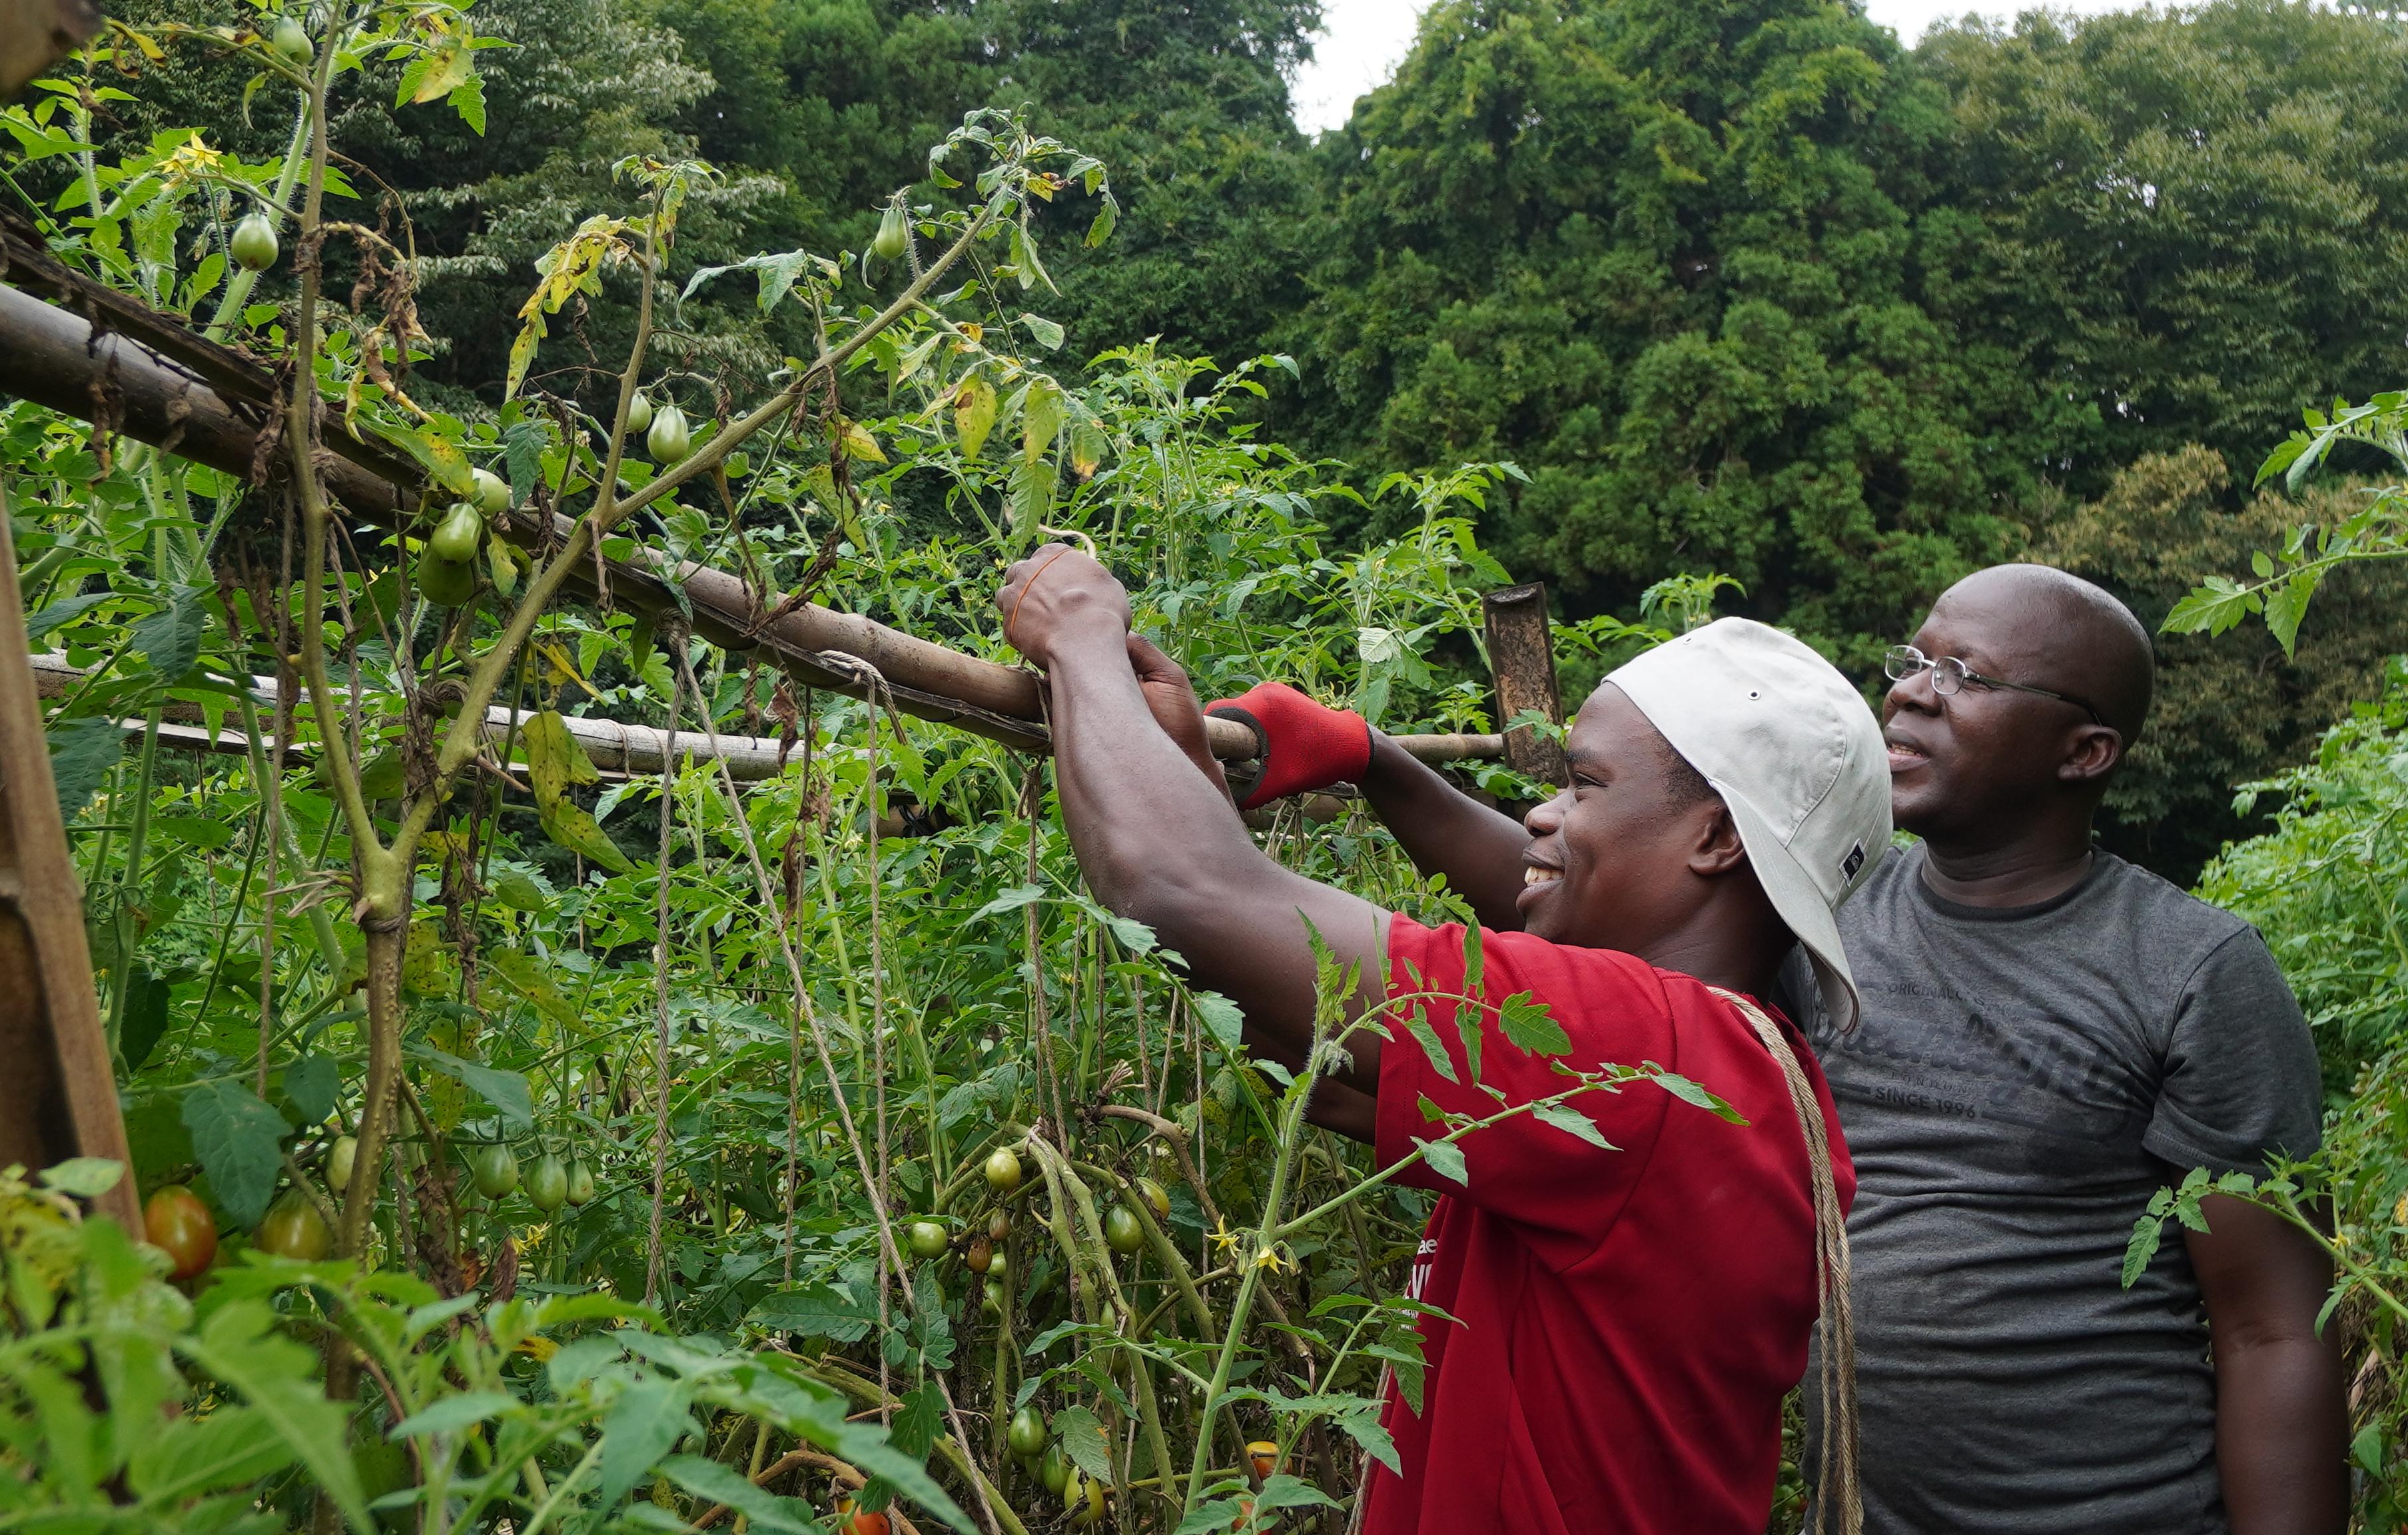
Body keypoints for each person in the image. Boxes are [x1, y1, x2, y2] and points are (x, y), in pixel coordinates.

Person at [995, 542, 1893, 1535]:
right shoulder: (1750, 1073)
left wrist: (1079, 632)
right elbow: (1312, 1056)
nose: (1543, 811)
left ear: (1717, 840)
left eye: (1585, 787)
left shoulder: (1645, 1054)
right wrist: (1232, 775)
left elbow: (1186, 894)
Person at [1799, 562, 2345, 1534]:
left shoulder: (2190, 970)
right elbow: (1584, 924)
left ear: (2085, 752)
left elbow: (2272, 1332)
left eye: (1964, 675)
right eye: (1915, 660)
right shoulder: (1819, 920)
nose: (1911, 691)